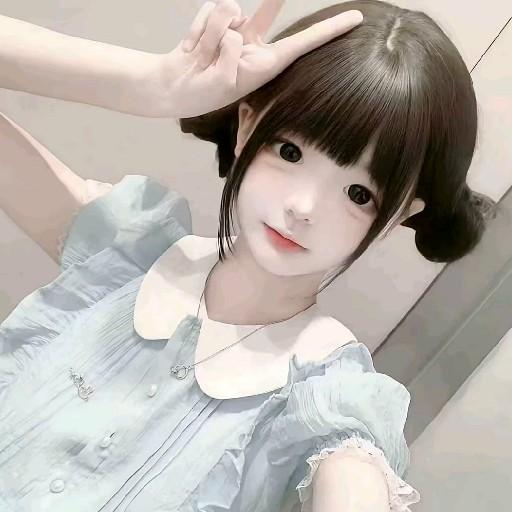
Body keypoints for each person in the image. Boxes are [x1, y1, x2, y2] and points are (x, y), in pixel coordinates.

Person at [0, 0, 496, 510]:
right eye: (290, 152)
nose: (303, 208)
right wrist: (152, 85)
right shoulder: (126, 253)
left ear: (395, 217)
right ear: (246, 127)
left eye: (359, 194)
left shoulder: (327, 405)